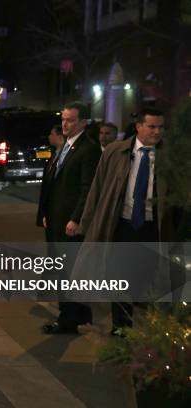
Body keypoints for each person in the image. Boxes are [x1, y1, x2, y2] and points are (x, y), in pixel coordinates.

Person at [78, 108, 177, 332]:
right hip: (122, 224)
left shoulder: (168, 156)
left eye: (161, 127)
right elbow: (97, 188)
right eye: (152, 127)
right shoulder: (116, 151)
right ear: (138, 126)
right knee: (118, 276)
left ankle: (144, 328)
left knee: (147, 278)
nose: (157, 132)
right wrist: (86, 223)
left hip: (152, 227)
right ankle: (121, 327)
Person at [40, 101, 101, 335]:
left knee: (69, 271)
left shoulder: (88, 149)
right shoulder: (65, 146)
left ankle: (68, 319)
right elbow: (53, 184)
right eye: (63, 119)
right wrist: (46, 213)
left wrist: (77, 218)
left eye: (71, 120)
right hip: (56, 219)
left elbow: (88, 188)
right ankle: (80, 314)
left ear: (83, 122)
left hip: (70, 223)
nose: (65, 124)